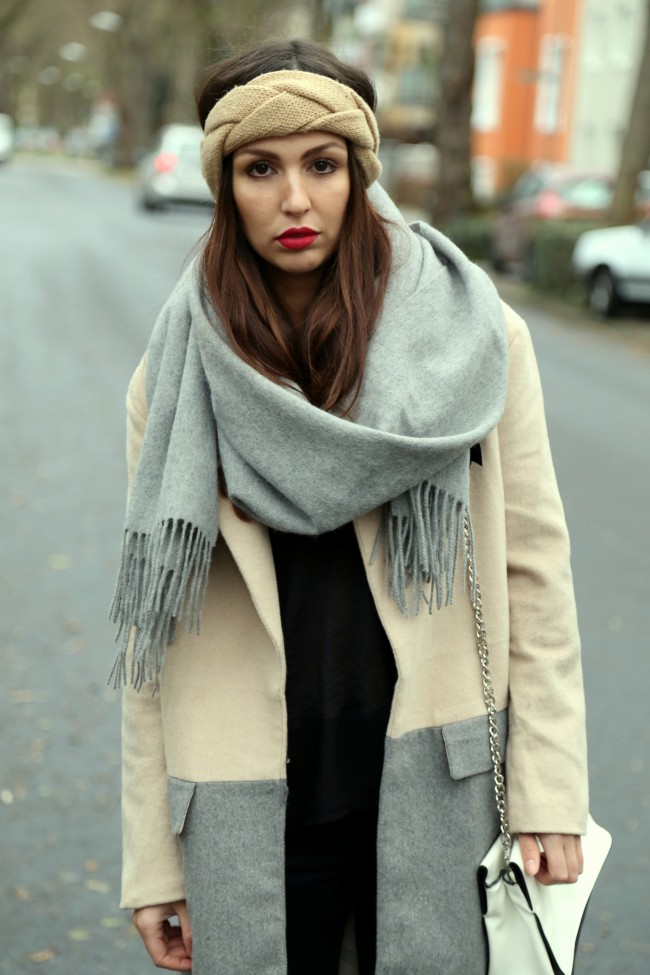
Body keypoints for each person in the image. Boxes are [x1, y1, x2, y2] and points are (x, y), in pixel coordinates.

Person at [110, 38, 588, 975]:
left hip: (436, 782)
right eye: (261, 168)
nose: (295, 199)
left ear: (359, 171)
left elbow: (535, 574)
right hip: (245, 802)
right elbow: (153, 631)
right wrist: (153, 861)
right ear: (224, 183)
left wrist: (549, 792)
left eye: (322, 164)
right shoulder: (175, 377)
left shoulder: (474, 342)